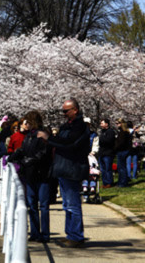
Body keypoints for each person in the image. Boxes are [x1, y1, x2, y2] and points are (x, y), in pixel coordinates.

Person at [44, 98, 89, 248]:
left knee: (73, 204)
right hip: (64, 167)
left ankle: (76, 236)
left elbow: (71, 144)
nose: (63, 114)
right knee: (67, 204)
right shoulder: (67, 126)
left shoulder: (80, 126)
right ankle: (71, 233)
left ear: (75, 110)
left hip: (72, 168)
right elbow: (63, 141)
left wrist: (49, 139)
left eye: (66, 111)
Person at [8, 110, 52, 243]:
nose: (26, 124)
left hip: (42, 174)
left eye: (28, 121)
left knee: (43, 205)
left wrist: (30, 160)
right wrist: (15, 155)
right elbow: (24, 149)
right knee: (31, 204)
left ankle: (45, 234)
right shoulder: (29, 136)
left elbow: (44, 153)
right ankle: (34, 232)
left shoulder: (42, 135)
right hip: (30, 173)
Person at [97, 119, 115, 188]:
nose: (101, 125)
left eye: (102, 123)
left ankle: (109, 182)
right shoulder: (102, 132)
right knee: (103, 169)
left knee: (108, 168)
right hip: (102, 152)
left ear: (106, 124)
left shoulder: (110, 132)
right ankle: (105, 182)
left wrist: (102, 140)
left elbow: (109, 141)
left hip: (108, 153)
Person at [114, 118, 130, 187]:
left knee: (122, 167)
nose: (117, 125)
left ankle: (123, 182)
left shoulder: (123, 132)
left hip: (122, 151)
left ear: (121, 123)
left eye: (118, 123)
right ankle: (121, 181)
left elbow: (121, 143)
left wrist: (115, 148)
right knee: (121, 167)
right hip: (122, 151)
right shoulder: (122, 132)